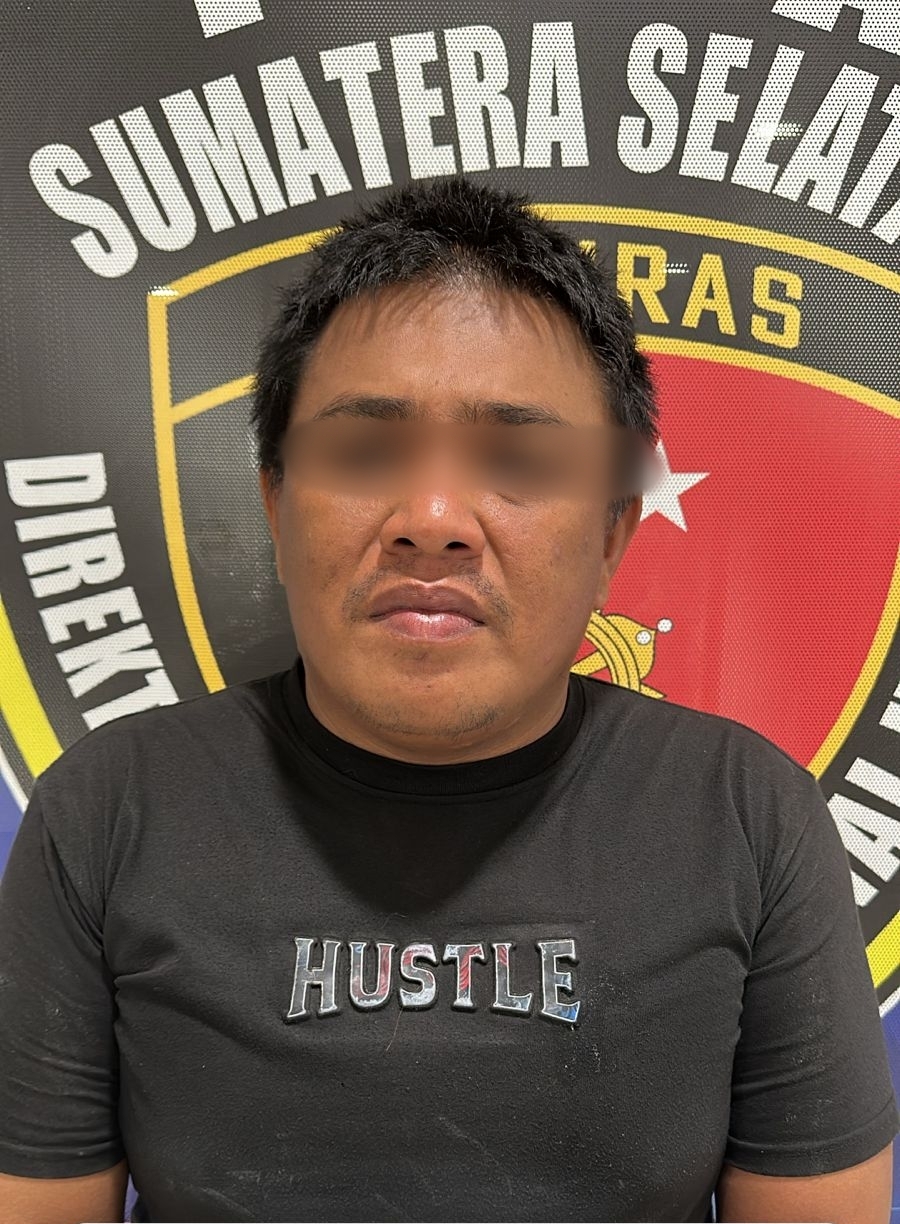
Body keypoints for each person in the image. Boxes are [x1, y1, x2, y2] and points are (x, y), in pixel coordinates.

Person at [0, 177, 895, 1224]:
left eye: (517, 459)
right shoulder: (110, 812)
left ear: (613, 531)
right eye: (366, 451)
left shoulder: (748, 818)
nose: (432, 518)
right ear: (276, 504)